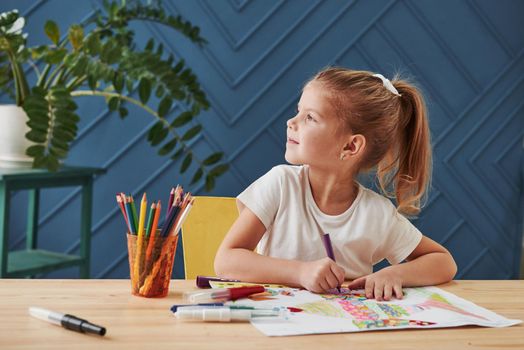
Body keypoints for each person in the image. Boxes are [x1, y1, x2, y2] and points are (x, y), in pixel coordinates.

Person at [214, 67, 457, 301]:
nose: (291, 121)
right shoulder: (280, 185)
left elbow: (443, 261)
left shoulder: (376, 214)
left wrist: (395, 274)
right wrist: (301, 272)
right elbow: (226, 260)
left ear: (350, 147)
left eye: (310, 117)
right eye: (298, 111)